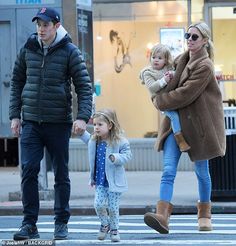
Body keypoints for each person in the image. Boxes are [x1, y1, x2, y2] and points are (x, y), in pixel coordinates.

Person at [9, 7, 92, 240]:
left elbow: (84, 87)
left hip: (58, 123)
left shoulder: (70, 52)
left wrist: (82, 117)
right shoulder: (29, 48)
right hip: (32, 122)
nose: (41, 29)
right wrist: (15, 115)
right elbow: (17, 81)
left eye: (46, 25)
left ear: (56, 26)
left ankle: (61, 222)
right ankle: (29, 224)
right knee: (29, 171)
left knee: (61, 174)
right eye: (38, 25)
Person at [144, 22, 226, 234]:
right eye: (187, 35)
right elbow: (167, 84)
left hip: (198, 127)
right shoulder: (180, 60)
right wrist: (151, 78)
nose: (189, 39)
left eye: (194, 37)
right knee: (168, 170)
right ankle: (162, 216)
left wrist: (160, 101)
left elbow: (185, 94)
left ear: (205, 41)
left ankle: (205, 215)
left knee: (201, 173)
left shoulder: (205, 66)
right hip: (175, 126)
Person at [79, 109, 132, 242]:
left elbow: (128, 155)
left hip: (113, 182)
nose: (96, 127)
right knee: (98, 205)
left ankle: (114, 229)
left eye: (100, 125)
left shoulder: (120, 141)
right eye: (95, 124)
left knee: (113, 208)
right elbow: (86, 138)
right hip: (100, 181)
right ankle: (105, 224)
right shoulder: (94, 140)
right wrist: (80, 131)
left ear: (110, 125)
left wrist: (116, 157)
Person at [139, 43, 190, 152]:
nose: (156, 60)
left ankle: (184, 134)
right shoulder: (147, 72)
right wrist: (164, 81)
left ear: (166, 60)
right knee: (174, 115)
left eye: (159, 58)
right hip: (160, 100)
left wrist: (172, 73)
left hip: (171, 98)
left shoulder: (168, 68)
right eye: (153, 57)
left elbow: (177, 73)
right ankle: (180, 139)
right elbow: (152, 88)